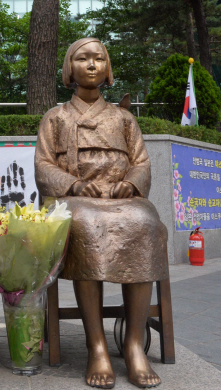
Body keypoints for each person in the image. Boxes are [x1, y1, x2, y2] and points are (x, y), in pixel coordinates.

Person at [35, 38, 167, 388]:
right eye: (82, 58)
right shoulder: (56, 117)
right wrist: (73, 184)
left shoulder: (123, 118)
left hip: (121, 198)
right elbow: (43, 165)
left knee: (145, 222)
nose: (91, 65)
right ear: (69, 68)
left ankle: (133, 343)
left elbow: (141, 161)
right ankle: (97, 346)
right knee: (85, 225)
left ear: (108, 69)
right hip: (76, 200)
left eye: (98, 59)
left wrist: (132, 184)